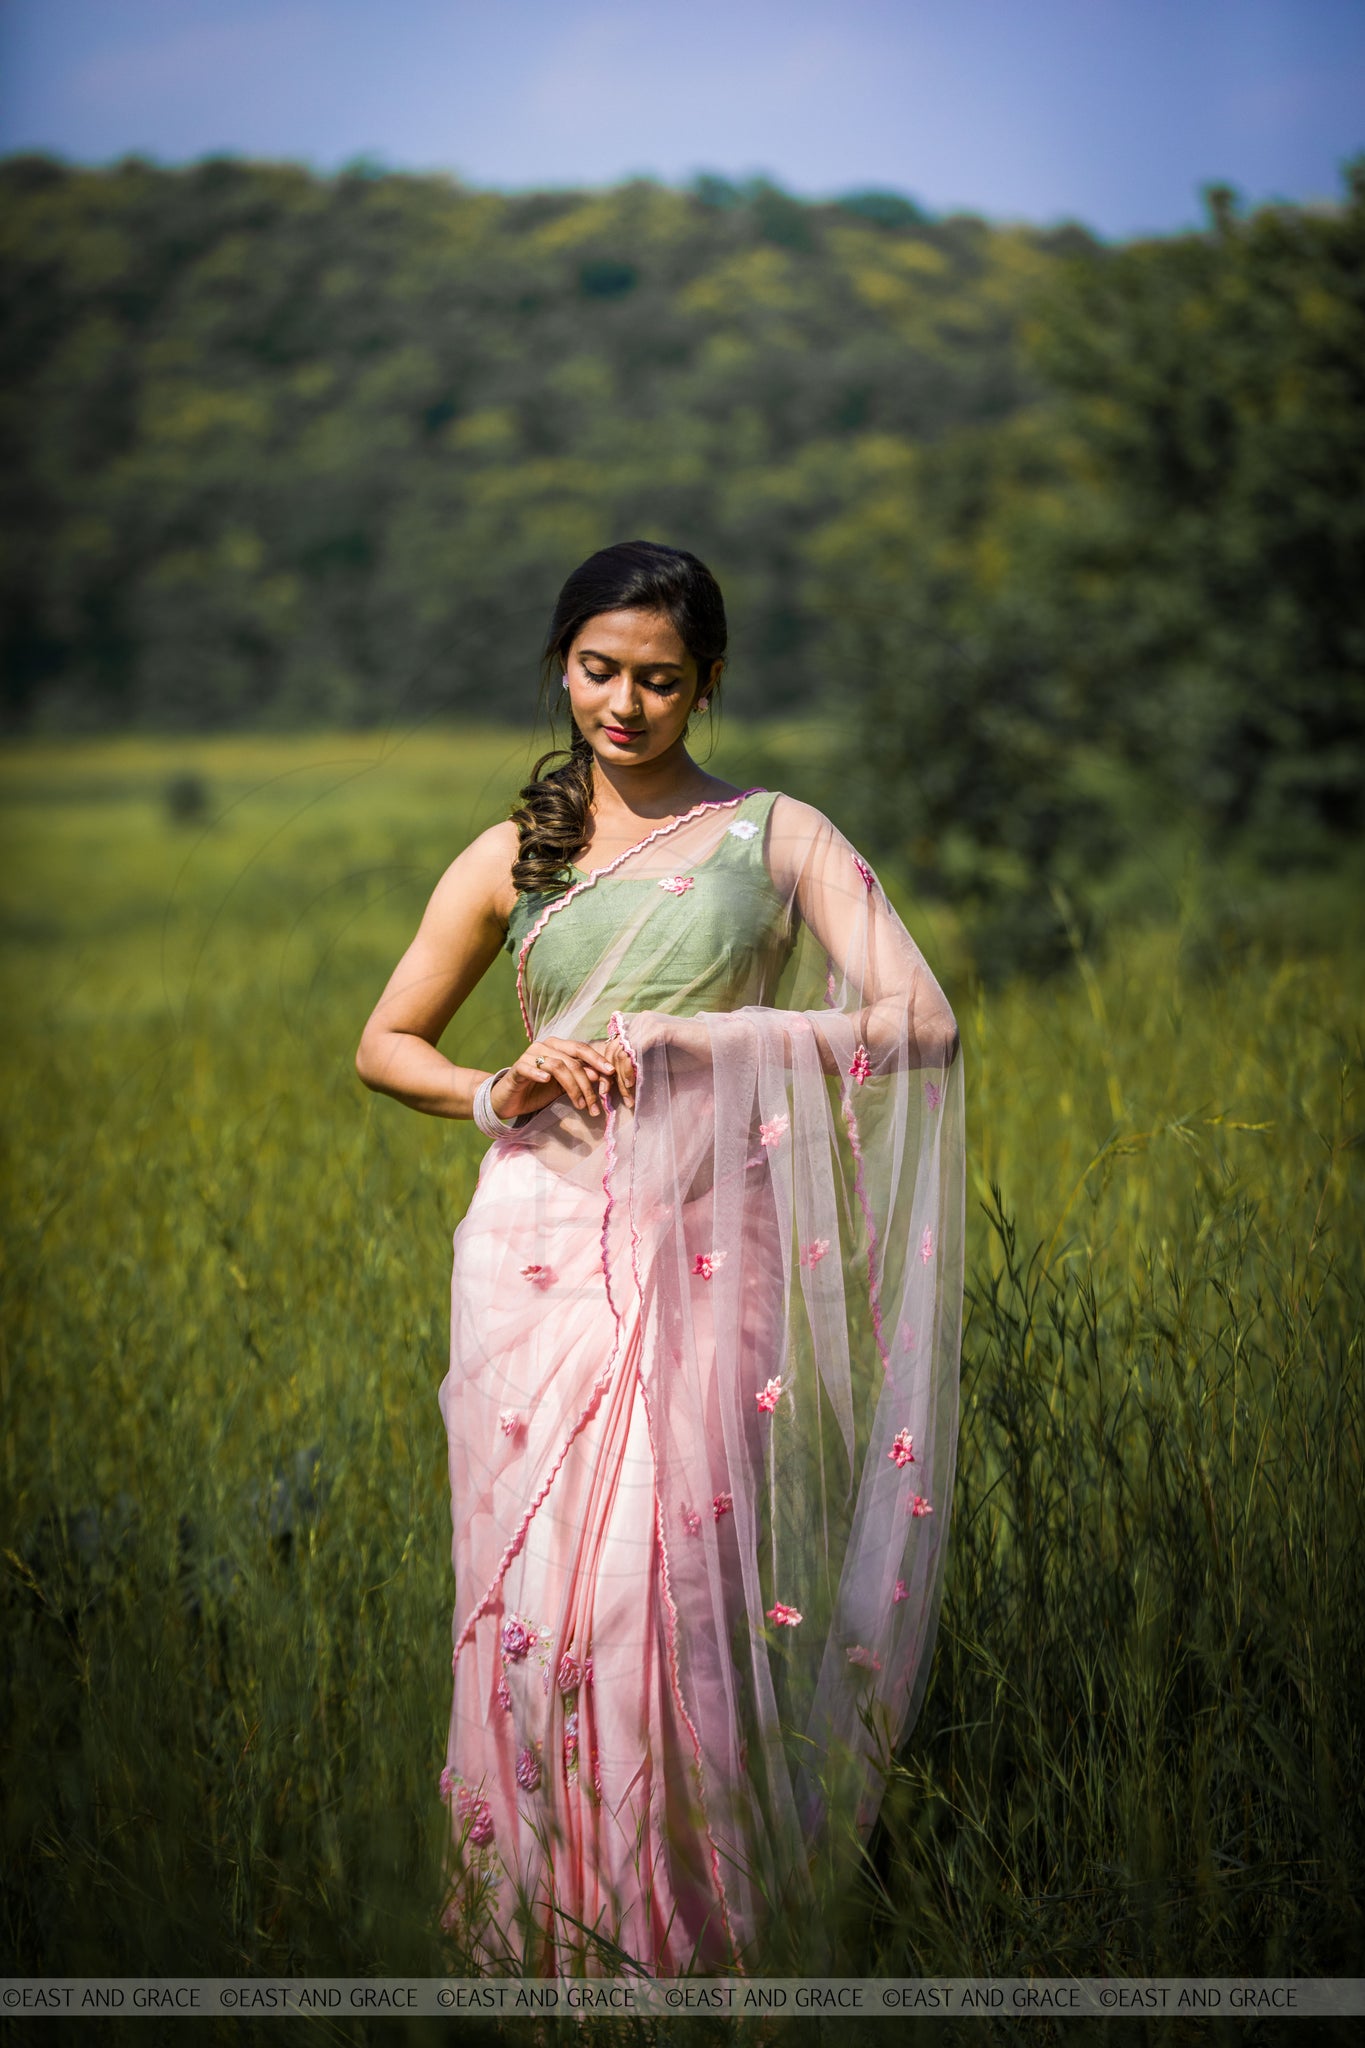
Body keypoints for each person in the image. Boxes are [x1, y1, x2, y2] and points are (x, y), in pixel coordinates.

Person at [355, 540, 964, 1976]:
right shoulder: (518, 854)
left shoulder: (775, 834)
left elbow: (920, 1021)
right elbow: (386, 1044)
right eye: (597, 672)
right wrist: (493, 1086)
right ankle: (529, 1929)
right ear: (562, 665)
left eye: (660, 681)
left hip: (706, 1252)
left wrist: (713, 1042)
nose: (624, 705)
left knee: (660, 1584)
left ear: (709, 684)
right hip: (535, 1246)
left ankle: (679, 1931)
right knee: (530, 1590)